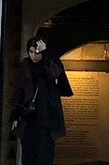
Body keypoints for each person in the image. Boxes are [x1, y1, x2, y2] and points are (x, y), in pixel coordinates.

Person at [10, 36, 72, 165]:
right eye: (31, 52)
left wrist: (45, 53)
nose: (33, 56)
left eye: (37, 53)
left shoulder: (48, 64)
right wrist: (16, 115)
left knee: (44, 156)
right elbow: (19, 89)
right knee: (28, 155)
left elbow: (55, 72)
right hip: (29, 117)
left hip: (47, 118)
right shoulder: (25, 65)